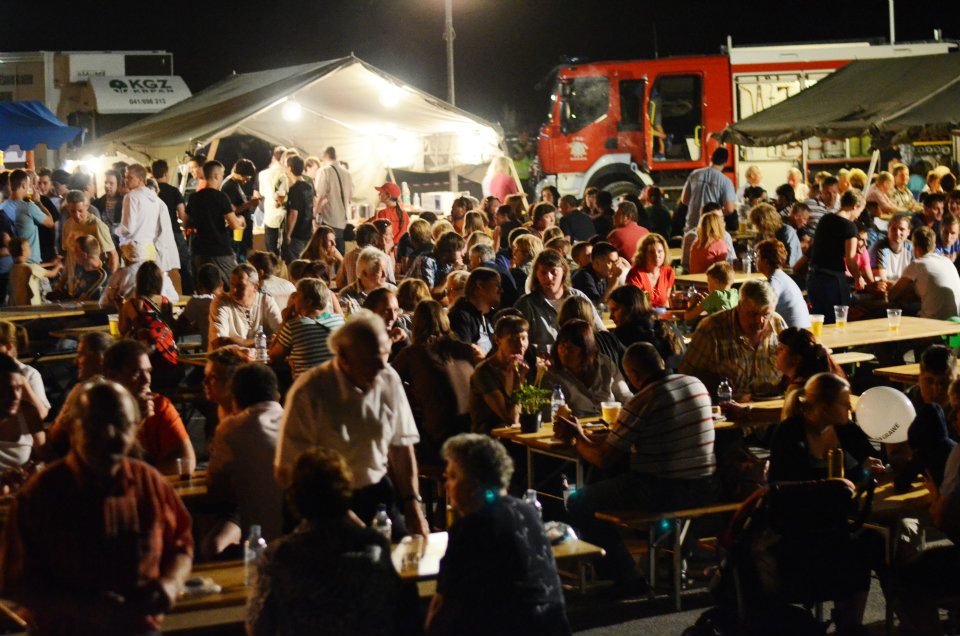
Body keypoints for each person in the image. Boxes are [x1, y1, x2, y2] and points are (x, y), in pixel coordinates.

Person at [0, 381, 193, 635]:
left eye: (120, 424)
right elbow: (15, 581)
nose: (109, 434)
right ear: (72, 428)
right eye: (96, 425)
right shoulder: (41, 494)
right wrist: (82, 608)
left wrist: (170, 585)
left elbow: (181, 546)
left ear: (135, 428)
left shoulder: (150, 484)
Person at [557, 342, 716, 591]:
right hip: (705, 485)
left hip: (661, 490)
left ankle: (626, 576)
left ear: (633, 374)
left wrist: (576, 438)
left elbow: (603, 458)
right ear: (660, 362)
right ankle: (666, 560)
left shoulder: (645, 400)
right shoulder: (695, 384)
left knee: (579, 501)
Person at [275, 311, 429, 537]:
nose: (380, 366)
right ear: (343, 357)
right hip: (322, 501)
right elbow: (287, 470)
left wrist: (412, 501)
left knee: (404, 549)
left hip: (375, 492)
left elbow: (401, 445)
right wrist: (338, 513)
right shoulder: (310, 390)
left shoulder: (387, 377)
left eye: (384, 354)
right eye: (369, 360)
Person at [248, 448, 419, 636]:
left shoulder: (279, 555)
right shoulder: (374, 546)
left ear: (294, 495)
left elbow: (257, 625)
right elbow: (402, 612)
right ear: (346, 489)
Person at [426, 433, 570, 636]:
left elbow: (444, 604)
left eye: (453, 476)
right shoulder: (527, 511)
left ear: (474, 483)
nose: (446, 485)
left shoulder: (472, 526)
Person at [205, 363, 285, 558]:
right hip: (303, 530)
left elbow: (215, 487)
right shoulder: (296, 421)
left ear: (235, 400)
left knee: (209, 544)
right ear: (277, 396)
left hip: (259, 539)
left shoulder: (231, 428)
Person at [392, 300, 477, 463]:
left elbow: (386, 380)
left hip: (438, 437)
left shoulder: (413, 353)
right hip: (472, 430)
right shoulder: (465, 349)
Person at [101, 339, 195, 476]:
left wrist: (144, 479)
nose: (146, 380)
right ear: (112, 376)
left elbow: (186, 461)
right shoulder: (97, 409)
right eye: (136, 372)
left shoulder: (158, 405)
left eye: (148, 371)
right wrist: (133, 422)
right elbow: (102, 467)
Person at [769, 372, 884, 482]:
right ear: (825, 409)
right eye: (844, 403)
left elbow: (870, 456)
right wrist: (859, 472)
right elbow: (801, 482)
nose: (850, 407)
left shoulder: (846, 427)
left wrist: (881, 461)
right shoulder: (789, 433)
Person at [680, 279, 786, 397]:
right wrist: (717, 386)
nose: (759, 321)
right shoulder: (711, 329)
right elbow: (687, 375)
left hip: (773, 403)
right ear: (739, 306)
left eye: (766, 315)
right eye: (753, 314)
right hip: (726, 405)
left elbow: (792, 368)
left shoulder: (777, 323)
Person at [515, 249, 604, 349]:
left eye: (553, 272)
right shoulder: (526, 304)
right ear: (536, 274)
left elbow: (600, 331)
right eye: (543, 273)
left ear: (564, 271)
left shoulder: (578, 297)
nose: (548, 277)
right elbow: (517, 342)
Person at [543, 319, 631, 418]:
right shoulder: (552, 375)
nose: (565, 353)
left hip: (609, 424)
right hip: (576, 426)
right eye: (562, 346)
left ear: (586, 350)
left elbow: (625, 396)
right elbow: (550, 414)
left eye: (571, 348)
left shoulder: (605, 365)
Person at [807, 189, 865, 321]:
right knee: (836, 320)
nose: (858, 216)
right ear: (855, 206)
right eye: (860, 211)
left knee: (819, 320)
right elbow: (850, 259)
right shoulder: (850, 227)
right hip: (832, 280)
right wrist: (858, 277)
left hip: (814, 277)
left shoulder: (825, 219)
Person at [186, 160, 245, 285]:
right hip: (219, 249)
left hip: (199, 250)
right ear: (216, 175)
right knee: (235, 282)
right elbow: (234, 224)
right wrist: (241, 219)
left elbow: (187, 222)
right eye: (222, 175)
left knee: (205, 286)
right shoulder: (221, 197)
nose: (222, 178)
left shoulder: (194, 197)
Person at [469, 315, 530, 433]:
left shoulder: (523, 366)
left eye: (524, 338)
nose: (520, 345)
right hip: (489, 439)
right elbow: (511, 419)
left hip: (517, 436)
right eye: (513, 340)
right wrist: (518, 380)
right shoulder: (484, 372)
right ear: (497, 340)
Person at [117, 164, 180, 277]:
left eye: (130, 177)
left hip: (135, 250)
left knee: (134, 282)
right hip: (150, 249)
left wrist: (115, 230)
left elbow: (128, 228)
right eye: (125, 177)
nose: (126, 180)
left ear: (140, 179)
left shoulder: (131, 196)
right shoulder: (155, 199)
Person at [890, 226, 960, 320]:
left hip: (933, 322)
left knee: (892, 308)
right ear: (934, 245)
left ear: (915, 246)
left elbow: (892, 295)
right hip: (955, 321)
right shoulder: (947, 261)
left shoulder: (917, 264)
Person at [209, 263, 283, 350]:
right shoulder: (221, 302)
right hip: (230, 358)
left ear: (255, 287)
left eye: (240, 286)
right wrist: (261, 341)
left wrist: (234, 341)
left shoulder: (265, 300)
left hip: (261, 358)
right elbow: (219, 342)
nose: (234, 290)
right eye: (232, 284)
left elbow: (281, 335)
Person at [100, 242, 179, 310]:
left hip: (131, 317)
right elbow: (174, 298)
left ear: (125, 256)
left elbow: (103, 302)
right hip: (160, 318)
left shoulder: (120, 273)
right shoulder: (159, 271)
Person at [680, 147, 736, 236]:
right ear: (725, 163)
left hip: (691, 227)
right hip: (712, 229)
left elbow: (684, 200)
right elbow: (729, 209)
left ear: (711, 159)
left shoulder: (694, 174)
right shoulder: (726, 181)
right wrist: (716, 213)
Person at [60, 190, 119, 274]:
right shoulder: (68, 224)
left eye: (80, 211)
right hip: (75, 275)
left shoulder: (97, 225)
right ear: (68, 208)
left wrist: (112, 279)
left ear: (86, 206)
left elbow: (113, 255)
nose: (77, 215)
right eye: (73, 211)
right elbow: (69, 254)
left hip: (94, 274)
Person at [755, 239, 810, 328]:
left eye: (757, 256)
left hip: (794, 335)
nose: (755, 260)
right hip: (801, 331)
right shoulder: (781, 277)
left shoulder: (775, 281)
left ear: (765, 261)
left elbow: (760, 309)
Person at [447, 267, 500, 355]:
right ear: (480, 285)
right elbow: (462, 356)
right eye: (497, 285)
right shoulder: (460, 317)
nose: (501, 290)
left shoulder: (491, 317)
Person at [219, 159, 261, 265]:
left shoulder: (234, 183)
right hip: (236, 229)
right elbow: (232, 210)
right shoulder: (229, 186)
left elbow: (238, 201)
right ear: (241, 174)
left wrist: (249, 199)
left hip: (240, 228)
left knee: (242, 253)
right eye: (247, 178)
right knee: (238, 256)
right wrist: (251, 203)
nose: (247, 181)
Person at [174, 263, 222, 351]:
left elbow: (179, 327)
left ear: (199, 286)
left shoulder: (197, 302)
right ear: (221, 285)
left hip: (211, 355)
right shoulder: (228, 301)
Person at [315, 147, 353, 255]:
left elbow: (319, 196)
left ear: (325, 156)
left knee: (327, 254)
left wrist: (314, 215)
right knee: (339, 254)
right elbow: (350, 197)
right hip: (343, 220)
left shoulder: (324, 171)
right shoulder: (347, 173)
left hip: (329, 220)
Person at [202, 346, 250, 428]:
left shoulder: (247, 419)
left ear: (231, 380)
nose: (205, 382)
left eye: (213, 377)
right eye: (206, 375)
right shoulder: (216, 412)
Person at [338, 247, 396, 314]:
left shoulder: (393, 291)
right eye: (379, 271)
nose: (385, 275)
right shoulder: (347, 296)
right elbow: (348, 319)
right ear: (364, 274)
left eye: (385, 270)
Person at [626, 233, 675, 309]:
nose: (656, 255)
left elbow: (666, 301)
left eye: (660, 251)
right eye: (651, 252)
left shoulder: (668, 272)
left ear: (665, 253)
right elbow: (635, 304)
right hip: (641, 314)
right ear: (643, 254)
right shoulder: (636, 274)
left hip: (661, 314)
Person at [281, 155, 315, 263]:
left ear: (289, 168)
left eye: (286, 166)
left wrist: (288, 234)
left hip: (297, 235)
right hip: (307, 231)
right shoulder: (309, 186)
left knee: (294, 265)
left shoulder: (295, 189)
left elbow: (293, 213)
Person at [7, 238, 61, 306]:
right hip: (31, 305)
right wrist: (59, 266)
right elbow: (52, 274)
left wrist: (51, 264)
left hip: (16, 304)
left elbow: (34, 266)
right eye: (28, 247)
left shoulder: (13, 267)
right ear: (23, 251)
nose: (30, 249)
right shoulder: (31, 268)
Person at [571, 241, 628, 305]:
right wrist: (615, 279)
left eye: (616, 262)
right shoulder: (584, 276)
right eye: (610, 262)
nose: (616, 266)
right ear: (597, 263)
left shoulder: (604, 274)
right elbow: (598, 306)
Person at [750, 202, 801, 267]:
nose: (756, 227)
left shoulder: (787, 231)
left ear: (765, 222)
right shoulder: (762, 233)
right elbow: (755, 253)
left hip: (791, 271)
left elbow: (790, 261)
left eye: (757, 223)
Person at [870, 212, 914, 283]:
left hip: (901, 286)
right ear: (888, 229)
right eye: (894, 229)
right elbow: (881, 280)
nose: (897, 233)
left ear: (908, 232)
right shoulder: (880, 247)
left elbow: (916, 275)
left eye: (902, 229)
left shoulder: (911, 248)